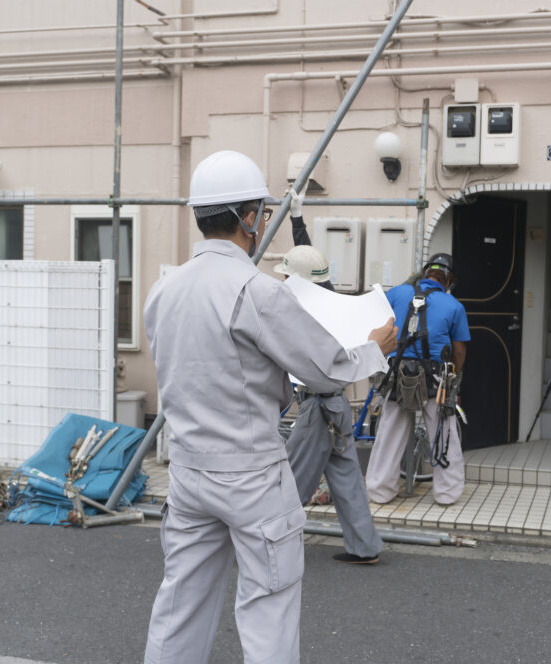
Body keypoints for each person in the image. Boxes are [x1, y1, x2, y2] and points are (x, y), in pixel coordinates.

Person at [142, 150, 397, 663]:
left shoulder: (162, 290)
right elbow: (322, 368)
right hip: (252, 473)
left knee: (180, 604)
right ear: (251, 218)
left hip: (189, 472)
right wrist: (374, 348)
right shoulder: (255, 291)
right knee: (268, 610)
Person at [274, 188, 385, 565]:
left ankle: (271, 546)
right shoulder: (333, 300)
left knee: (290, 481)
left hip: (316, 410)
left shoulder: (304, 314)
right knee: (347, 479)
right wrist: (296, 219)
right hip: (339, 409)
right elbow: (307, 261)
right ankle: (365, 547)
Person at [366, 253, 470, 506]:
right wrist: (454, 376)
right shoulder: (454, 306)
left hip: (396, 374)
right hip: (435, 379)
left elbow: (379, 327)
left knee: (390, 432)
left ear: (425, 273)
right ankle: (447, 494)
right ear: (449, 280)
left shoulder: (398, 293)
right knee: (443, 433)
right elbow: (459, 351)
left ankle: (380, 490)